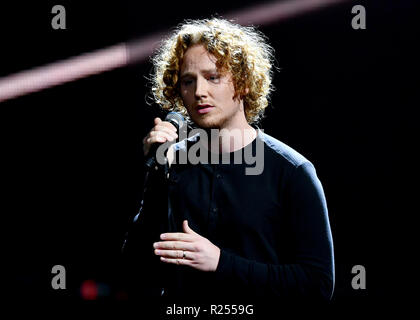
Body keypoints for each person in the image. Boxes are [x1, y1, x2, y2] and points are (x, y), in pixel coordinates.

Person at [121, 18, 334, 308]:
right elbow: (135, 270)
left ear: (243, 83)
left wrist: (220, 262)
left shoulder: (291, 171)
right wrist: (158, 171)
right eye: (188, 81)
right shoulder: (172, 163)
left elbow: (317, 284)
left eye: (213, 77)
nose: (199, 92)